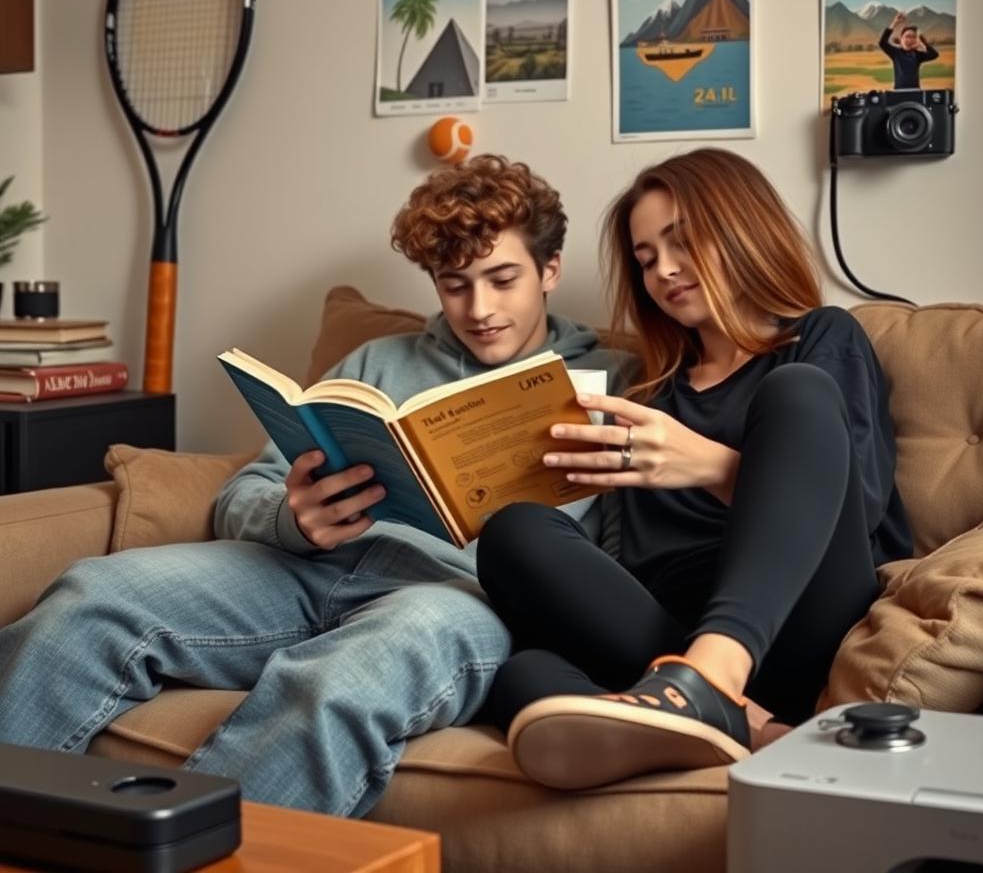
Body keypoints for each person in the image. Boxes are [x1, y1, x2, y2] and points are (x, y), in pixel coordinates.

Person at [0, 154, 630, 816]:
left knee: (346, 678)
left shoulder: (614, 380)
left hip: (458, 599)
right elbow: (244, 491)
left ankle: (194, 850)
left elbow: (625, 569)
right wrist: (292, 518)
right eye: (454, 285)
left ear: (549, 270)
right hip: (305, 569)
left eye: (503, 280)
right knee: (93, 595)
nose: (479, 309)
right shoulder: (377, 362)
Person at [474, 148, 913, 791]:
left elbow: (859, 503)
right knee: (517, 571)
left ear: (742, 228)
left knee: (795, 391)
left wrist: (707, 465)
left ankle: (714, 677)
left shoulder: (821, 339)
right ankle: (750, 727)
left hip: (799, 611)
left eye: (681, 241)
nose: (664, 270)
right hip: (667, 639)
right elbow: (636, 562)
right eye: (646, 258)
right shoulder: (649, 396)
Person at [878, 11, 939, 89]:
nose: (910, 39)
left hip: (915, 91)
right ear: (901, 38)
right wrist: (895, 23)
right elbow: (882, 42)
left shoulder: (917, 54)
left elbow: (934, 55)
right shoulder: (896, 53)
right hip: (899, 92)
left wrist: (923, 42)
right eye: (907, 36)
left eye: (913, 37)